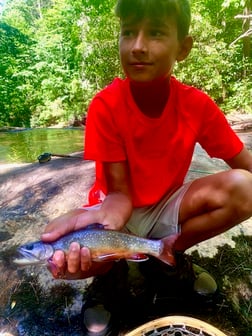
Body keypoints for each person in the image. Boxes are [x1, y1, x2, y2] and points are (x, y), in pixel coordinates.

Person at [42, 0, 252, 334]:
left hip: (168, 205)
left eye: (155, 32)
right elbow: (120, 194)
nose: (138, 46)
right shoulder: (105, 105)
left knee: (245, 188)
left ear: (183, 48)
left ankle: (168, 257)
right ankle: (109, 281)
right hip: (117, 210)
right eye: (128, 32)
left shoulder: (197, 105)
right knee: (69, 261)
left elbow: (245, 165)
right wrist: (98, 221)